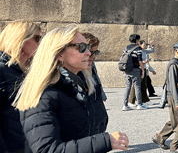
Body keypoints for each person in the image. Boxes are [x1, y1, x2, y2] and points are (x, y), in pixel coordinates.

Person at [14, 24, 129, 152]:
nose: (89, 53)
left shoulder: (81, 86)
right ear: (59, 53)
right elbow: (47, 150)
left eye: (89, 48)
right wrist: (104, 141)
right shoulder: (44, 94)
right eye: (82, 47)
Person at [0, 21, 41, 153]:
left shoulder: (21, 70)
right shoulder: (2, 70)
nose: (40, 43)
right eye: (37, 38)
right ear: (21, 39)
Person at [152, 42, 178, 153]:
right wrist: (177, 101)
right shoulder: (174, 64)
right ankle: (176, 145)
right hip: (176, 96)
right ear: (176, 51)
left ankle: (159, 138)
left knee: (176, 119)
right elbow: (172, 85)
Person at [82, 32, 108, 134]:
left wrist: (101, 95)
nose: (93, 57)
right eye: (92, 53)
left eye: (95, 53)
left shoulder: (91, 65)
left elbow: (97, 81)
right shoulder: (77, 70)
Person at [122, 34, 147, 111]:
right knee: (137, 87)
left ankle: (125, 105)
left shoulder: (126, 48)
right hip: (135, 69)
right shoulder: (138, 48)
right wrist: (142, 70)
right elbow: (139, 60)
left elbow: (123, 58)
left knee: (128, 87)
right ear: (136, 40)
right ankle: (139, 104)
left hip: (127, 69)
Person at [128, 40, 155, 106]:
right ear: (140, 45)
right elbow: (135, 61)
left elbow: (153, 50)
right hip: (138, 69)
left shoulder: (145, 51)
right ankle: (131, 101)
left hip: (144, 69)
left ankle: (145, 100)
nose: (146, 46)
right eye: (144, 44)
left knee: (144, 85)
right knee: (136, 86)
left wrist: (152, 45)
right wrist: (142, 62)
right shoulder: (137, 51)